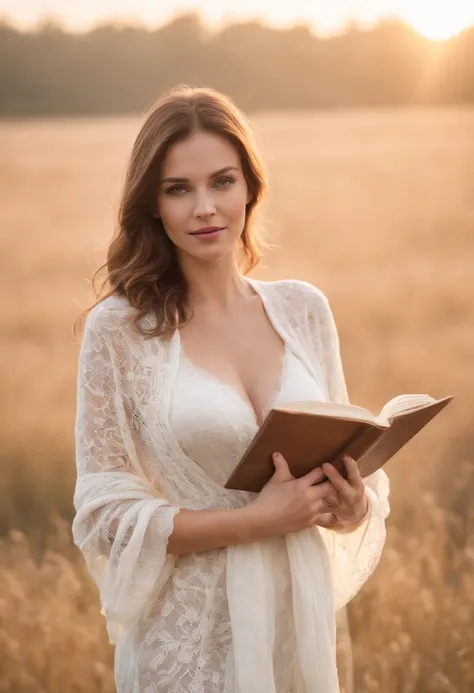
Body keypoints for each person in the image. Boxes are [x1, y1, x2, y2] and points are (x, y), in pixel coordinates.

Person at [72, 84, 390, 693]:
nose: (204, 209)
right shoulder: (120, 329)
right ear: (153, 206)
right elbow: (103, 512)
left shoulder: (303, 310)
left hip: (295, 616)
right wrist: (257, 520)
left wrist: (353, 505)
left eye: (222, 182)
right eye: (178, 189)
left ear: (251, 187)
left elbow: (347, 458)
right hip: (190, 635)